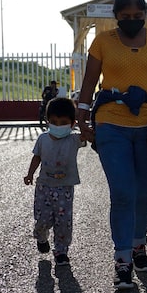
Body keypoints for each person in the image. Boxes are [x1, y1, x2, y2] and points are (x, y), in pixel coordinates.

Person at [76, 0, 147, 290]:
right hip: (111, 124)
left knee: (142, 193)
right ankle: (122, 260)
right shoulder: (102, 42)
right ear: (117, 15)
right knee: (122, 192)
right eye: (126, 14)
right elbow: (89, 82)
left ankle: (139, 247)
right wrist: (82, 120)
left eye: (138, 13)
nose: (133, 18)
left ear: (146, 14)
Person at [24, 97, 86, 267]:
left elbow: (91, 135)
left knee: (63, 222)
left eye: (63, 122)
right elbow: (36, 157)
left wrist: (81, 121)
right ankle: (41, 236)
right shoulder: (43, 139)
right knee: (43, 219)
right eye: (54, 122)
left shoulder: (74, 140)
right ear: (48, 121)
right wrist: (30, 174)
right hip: (44, 186)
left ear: (72, 123)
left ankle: (61, 252)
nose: (58, 126)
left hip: (65, 188)